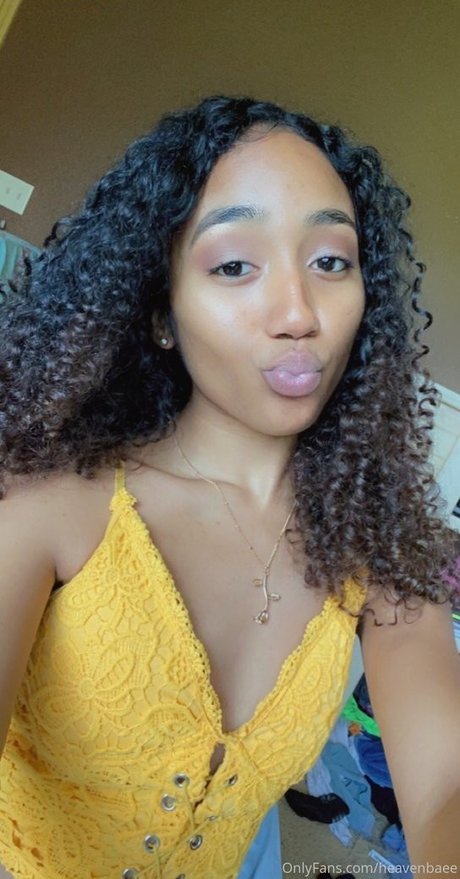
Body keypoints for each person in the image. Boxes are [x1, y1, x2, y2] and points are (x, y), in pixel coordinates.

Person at [0, 95, 459, 879]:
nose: (298, 312)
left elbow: (445, 783)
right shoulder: (53, 494)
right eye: (235, 265)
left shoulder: (378, 542)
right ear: (161, 312)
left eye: (330, 261)